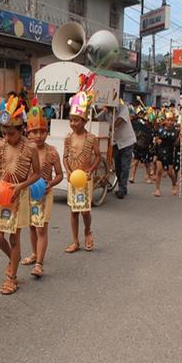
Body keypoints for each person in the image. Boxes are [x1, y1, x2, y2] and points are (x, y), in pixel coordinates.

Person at [0, 96, 40, 295]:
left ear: (22, 130)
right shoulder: (0, 146)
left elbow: (37, 174)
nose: (7, 137)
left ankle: (12, 277)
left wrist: (21, 186)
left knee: (14, 238)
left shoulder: (31, 148)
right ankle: (14, 259)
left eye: (11, 133)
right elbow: (1, 168)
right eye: (4, 133)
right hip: (3, 194)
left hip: (18, 196)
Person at [20, 106, 62, 277]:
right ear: (28, 133)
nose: (38, 135)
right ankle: (34, 253)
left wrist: (50, 184)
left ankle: (39, 263)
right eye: (34, 131)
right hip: (29, 195)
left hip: (45, 195)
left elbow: (59, 175)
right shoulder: (25, 151)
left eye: (42, 131)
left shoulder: (52, 152)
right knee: (31, 226)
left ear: (47, 132)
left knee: (41, 229)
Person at [63, 74, 101, 253]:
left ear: (84, 120)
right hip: (72, 179)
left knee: (85, 210)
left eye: (76, 120)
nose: (72, 123)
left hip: (85, 179)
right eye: (71, 120)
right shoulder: (67, 138)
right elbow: (65, 157)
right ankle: (75, 240)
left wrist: (90, 171)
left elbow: (98, 157)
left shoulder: (92, 138)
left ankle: (87, 231)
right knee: (73, 211)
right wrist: (68, 172)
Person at [96, 100, 136, 199]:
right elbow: (96, 119)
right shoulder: (106, 112)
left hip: (127, 141)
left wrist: (109, 128)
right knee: (117, 167)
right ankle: (122, 186)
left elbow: (119, 121)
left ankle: (122, 189)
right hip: (116, 143)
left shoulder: (123, 108)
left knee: (125, 166)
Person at [153, 111, 178, 197]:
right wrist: (157, 140)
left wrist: (179, 138)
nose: (170, 122)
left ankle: (174, 184)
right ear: (166, 120)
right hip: (160, 151)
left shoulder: (174, 131)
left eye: (172, 120)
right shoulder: (160, 129)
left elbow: (175, 143)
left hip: (169, 152)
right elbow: (155, 138)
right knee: (159, 170)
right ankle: (157, 189)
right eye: (168, 120)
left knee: (170, 172)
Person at [130, 107, 155, 184]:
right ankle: (132, 177)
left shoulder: (150, 129)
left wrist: (151, 145)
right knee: (135, 162)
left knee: (146, 164)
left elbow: (151, 139)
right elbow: (132, 120)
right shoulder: (138, 124)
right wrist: (138, 116)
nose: (146, 121)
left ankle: (148, 177)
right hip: (137, 145)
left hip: (145, 147)